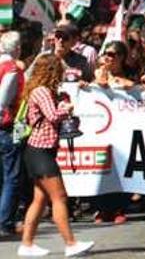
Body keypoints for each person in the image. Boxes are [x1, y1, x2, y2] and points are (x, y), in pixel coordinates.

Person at [18, 54, 94, 257]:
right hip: (40, 152)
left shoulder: (43, 91)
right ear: (51, 70)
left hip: (38, 151)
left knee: (39, 199)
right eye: (59, 69)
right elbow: (52, 115)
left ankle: (26, 244)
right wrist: (65, 108)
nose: (62, 73)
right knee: (59, 197)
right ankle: (71, 244)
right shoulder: (42, 91)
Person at [0, 31, 23, 237]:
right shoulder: (12, 68)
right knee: (12, 175)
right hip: (7, 126)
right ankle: (5, 221)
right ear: (16, 48)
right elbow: (3, 100)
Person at [28, 23, 94, 83]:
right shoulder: (43, 57)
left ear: (74, 42)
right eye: (58, 36)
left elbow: (88, 82)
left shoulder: (81, 61)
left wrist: (83, 83)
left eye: (65, 37)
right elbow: (27, 77)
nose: (61, 40)